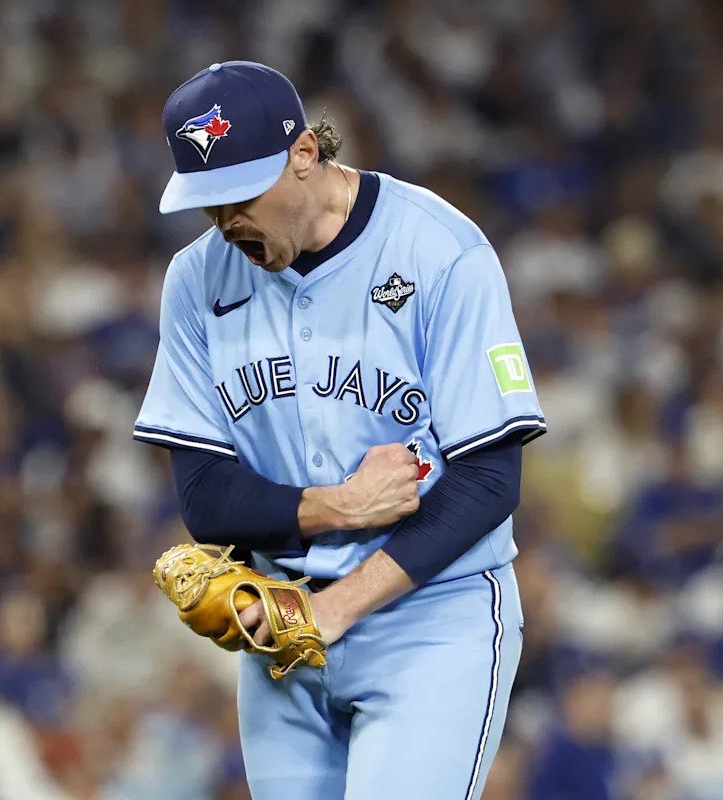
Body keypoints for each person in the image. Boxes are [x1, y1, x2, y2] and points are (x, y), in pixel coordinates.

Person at [133, 61, 546, 799]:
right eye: (208, 203)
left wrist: (338, 607)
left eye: (240, 195)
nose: (227, 222)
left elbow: (489, 479)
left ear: (303, 155)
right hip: (284, 633)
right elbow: (204, 497)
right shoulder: (196, 280)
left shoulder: (439, 250)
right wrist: (337, 507)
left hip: (432, 616)